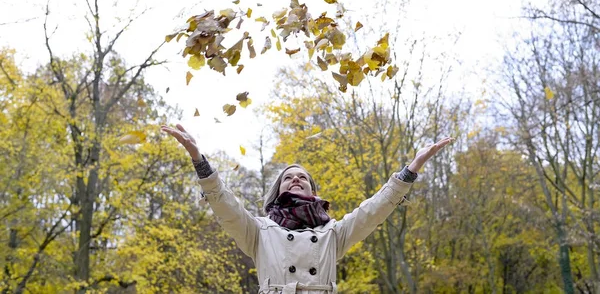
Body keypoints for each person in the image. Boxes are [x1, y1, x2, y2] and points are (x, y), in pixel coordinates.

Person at [162, 124, 453, 294]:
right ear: (279, 190)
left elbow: (372, 212)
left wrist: (410, 171)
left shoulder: (332, 234)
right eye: (288, 177)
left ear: (314, 192)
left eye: (302, 176)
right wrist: (200, 161)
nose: (296, 178)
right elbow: (226, 207)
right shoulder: (258, 231)